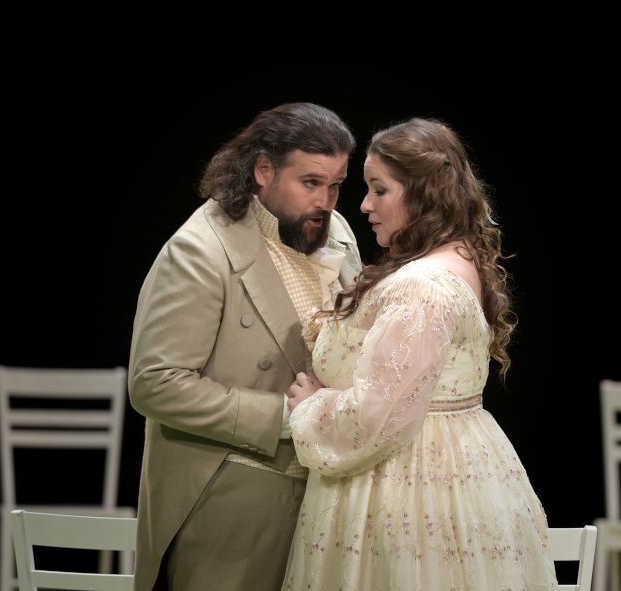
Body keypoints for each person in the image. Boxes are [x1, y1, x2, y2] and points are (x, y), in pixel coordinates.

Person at [283, 118, 556, 589]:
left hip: (404, 483)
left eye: (380, 190)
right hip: (457, 471)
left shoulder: (421, 288)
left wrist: (311, 409)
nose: (365, 204)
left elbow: (378, 417)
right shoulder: (459, 258)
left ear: (425, 194)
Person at [128, 102, 362, 591]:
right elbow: (154, 385)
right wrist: (285, 416)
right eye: (311, 182)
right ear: (262, 171)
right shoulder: (200, 250)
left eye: (336, 185)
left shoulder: (335, 233)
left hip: (324, 492)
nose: (326, 201)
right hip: (232, 494)